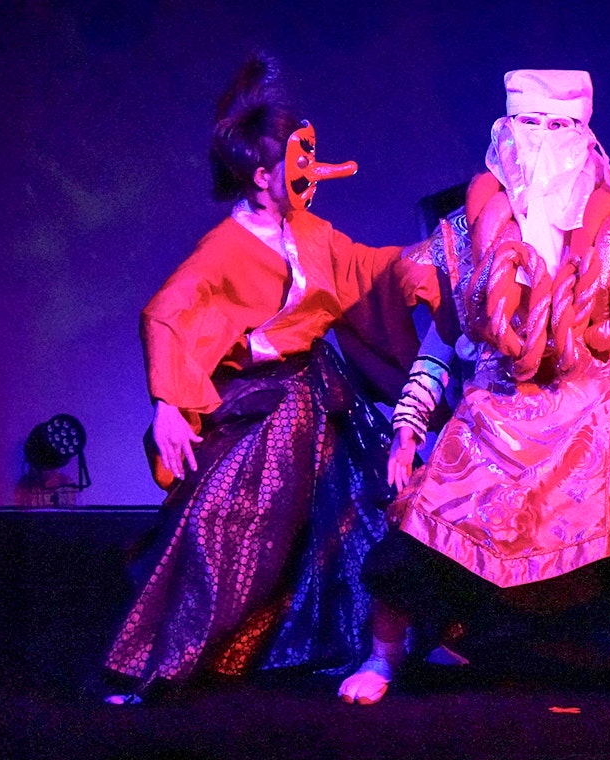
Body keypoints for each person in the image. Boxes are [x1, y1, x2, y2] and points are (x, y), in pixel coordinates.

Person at [337, 70, 610, 705]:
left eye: (561, 128)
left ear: (584, 138)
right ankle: (382, 658)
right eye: (531, 126)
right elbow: (440, 346)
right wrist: (407, 431)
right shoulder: (466, 236)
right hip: (496, 412)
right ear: (506, 134)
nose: (546, 142)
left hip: (595, 412)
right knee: (415, 539)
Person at [101, 55, 418, 703]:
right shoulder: (225, 248)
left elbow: (367, 270)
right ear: (260, 174)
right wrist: (167, 404)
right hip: (262, 401)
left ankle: (379, 640)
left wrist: (435, 260)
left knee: (363, 515)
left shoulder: (311, 233)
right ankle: (154, 660)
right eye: (295, 163)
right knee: (223, 522)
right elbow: (167, 313)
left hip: (322, 394)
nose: (309, 174)